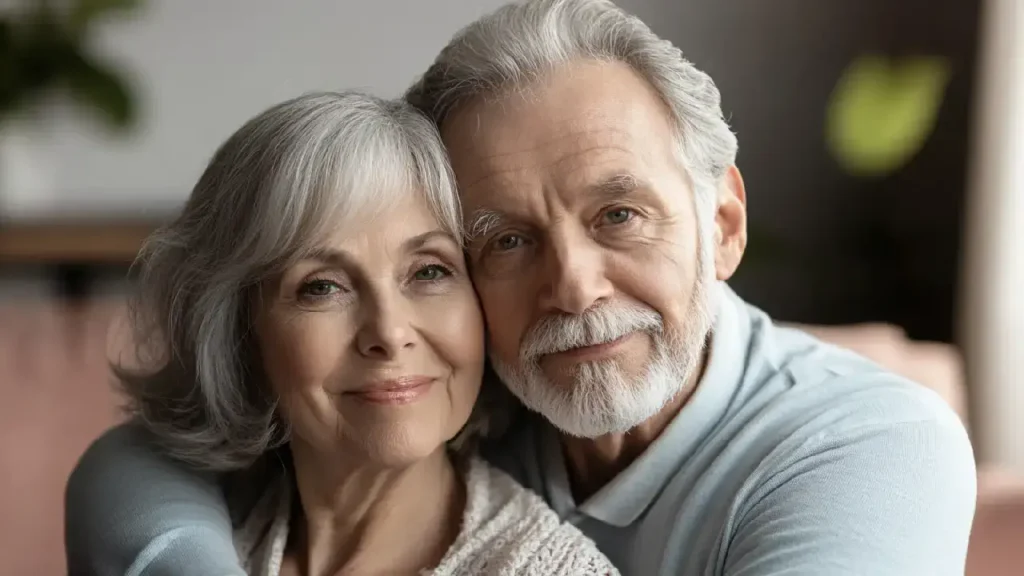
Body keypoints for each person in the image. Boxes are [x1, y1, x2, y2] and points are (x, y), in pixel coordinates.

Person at [66, 1, 977, 574]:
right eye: (505, 240)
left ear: (724, 225)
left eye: (619, 214)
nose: (572, 288)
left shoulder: (869, 447)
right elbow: (141, 458)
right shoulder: (462, 390)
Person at [63, 90, 618, 575]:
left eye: (429, 271)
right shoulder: (196, 517)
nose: (389, 332)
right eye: (322, 287)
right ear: (239, 331)